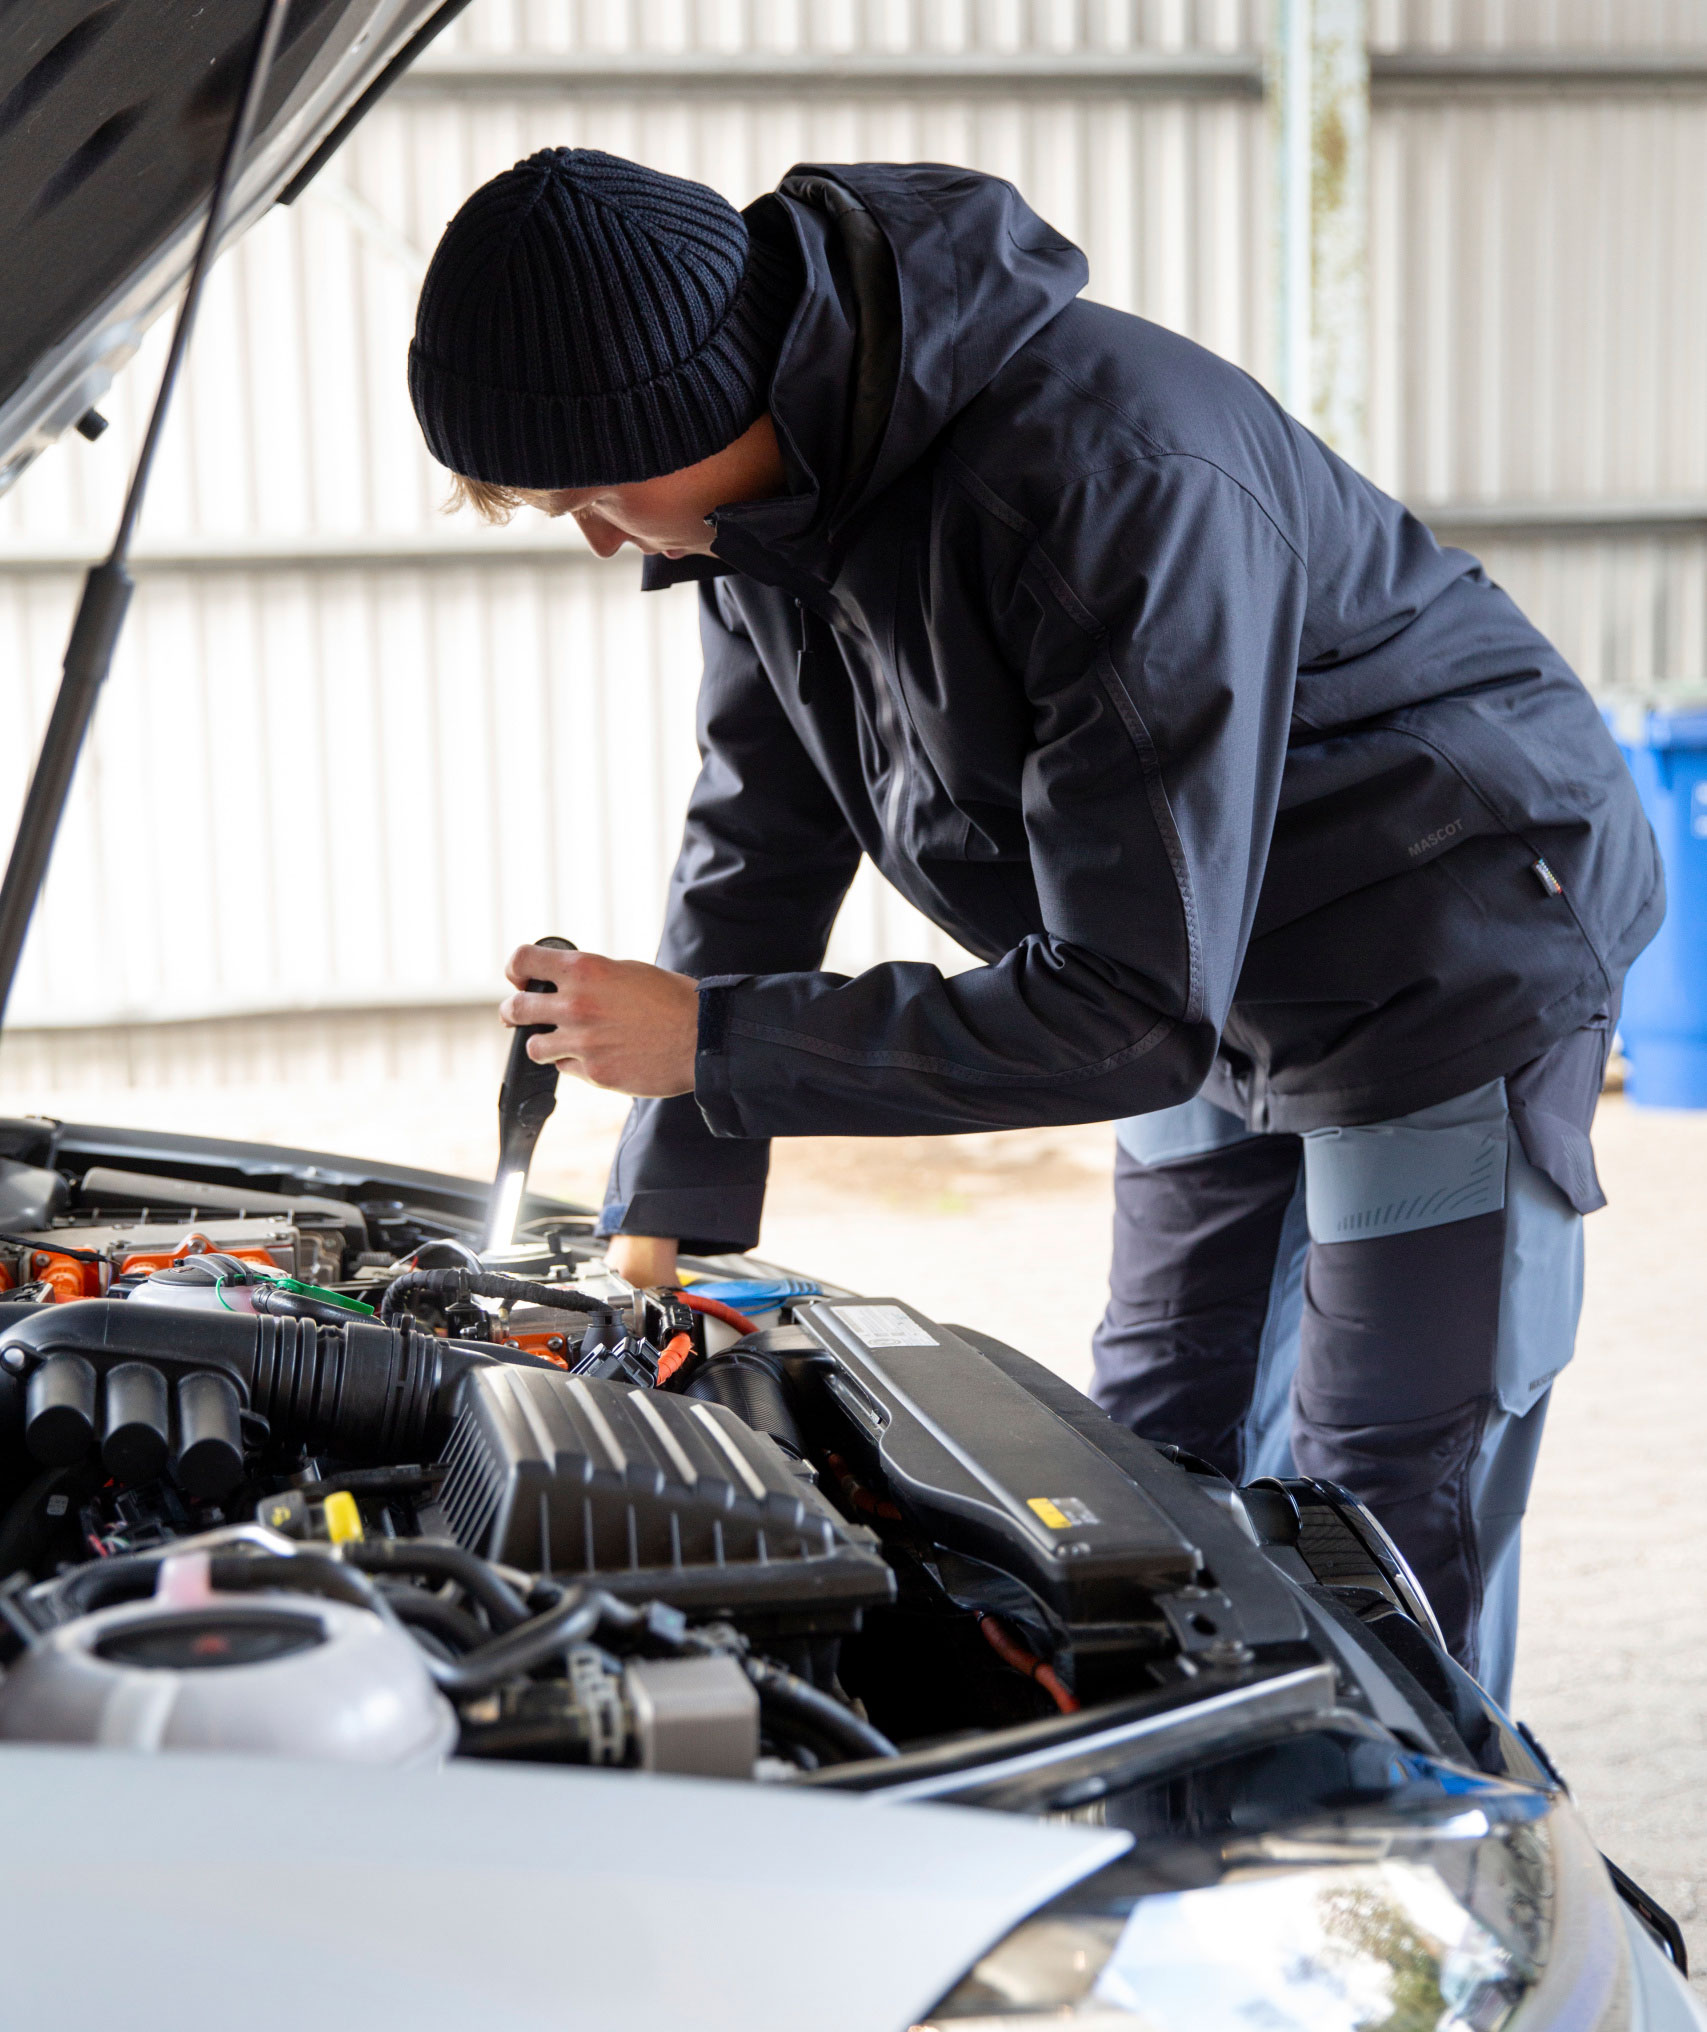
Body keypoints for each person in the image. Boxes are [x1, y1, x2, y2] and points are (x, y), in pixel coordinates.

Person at [406, 148, 1661, 1707]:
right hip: (1177, 945)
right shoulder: (763, 512)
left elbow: (1130, 1012)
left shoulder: (1106, 482)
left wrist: (717, 1041)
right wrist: (666, 1202)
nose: (600, 537)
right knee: (1147, 1445)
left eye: (596, 494)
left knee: (1376, 1506)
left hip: (1434, 945)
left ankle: (1431, 1875)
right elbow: (759, 839)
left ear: (688, 406)